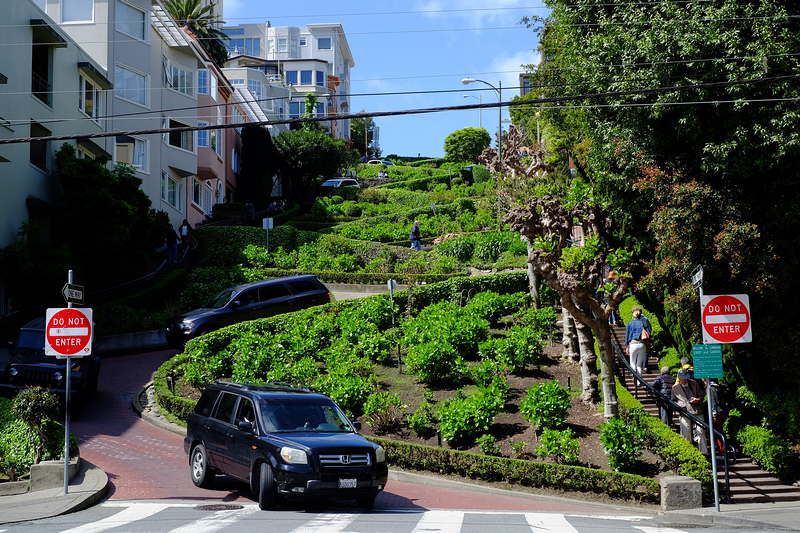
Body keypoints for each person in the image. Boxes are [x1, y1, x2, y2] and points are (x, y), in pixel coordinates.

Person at [672, 368, 708, 454]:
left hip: (697, 411)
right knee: (686, 434)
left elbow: (701, 396)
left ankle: (704, 452)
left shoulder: (693, 383)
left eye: (685, 379)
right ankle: (688, 453)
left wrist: (697, 400)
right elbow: (672, 400)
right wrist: (677, 405)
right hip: (684, 412)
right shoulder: (675, 387)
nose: (684, 381)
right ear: (679, 378)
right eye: (682, 379)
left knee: (701, 431)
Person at [625, 305, 652, 374]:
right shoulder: (644, 321)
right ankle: (639, 382)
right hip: (642, 344)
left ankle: (635, 378)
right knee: (639, 364)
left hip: (633, 344)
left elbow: (627, 336)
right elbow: (649, 331)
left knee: (632, 363)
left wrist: (627, 346)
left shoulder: (630, 323)